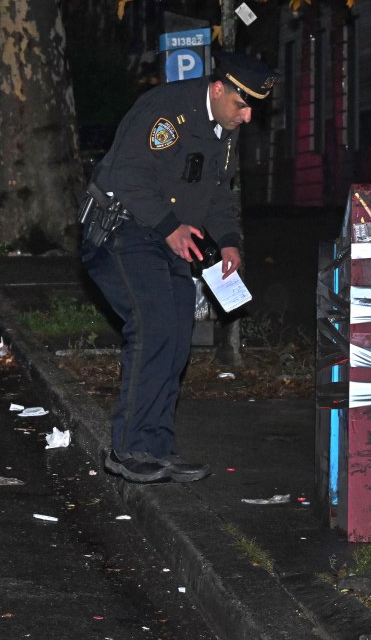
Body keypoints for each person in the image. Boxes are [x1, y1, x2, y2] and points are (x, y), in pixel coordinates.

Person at [80, 51, 279, 483]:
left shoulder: (224, 128)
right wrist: (170, 226)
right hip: (123, 230)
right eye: (241, 105)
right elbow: (130, 176)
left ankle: (157, 449)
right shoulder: (165, 111)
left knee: (175, 334)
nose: (247, 117)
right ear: (218, 88)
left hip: (169, 238)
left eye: (252, 109)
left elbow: (219, 194)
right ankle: (127, 450)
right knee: (152, 326)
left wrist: (228, 242)